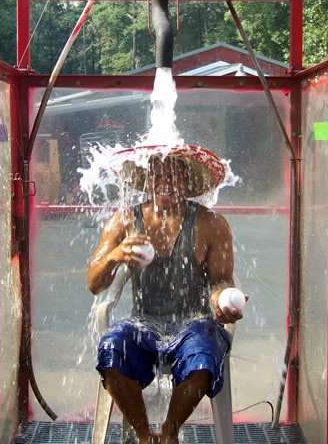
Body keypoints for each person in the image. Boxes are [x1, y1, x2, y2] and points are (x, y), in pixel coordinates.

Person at [87, 145, 245, 444]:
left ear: (188, 180)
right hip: (143, 322)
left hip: (194, 323)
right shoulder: (124, 220)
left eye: (174, 175)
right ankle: (145, 435)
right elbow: (94, 283)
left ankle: (170, 432)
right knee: (111, 348)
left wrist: (222, 301)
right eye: (157, 175)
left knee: (204, 350)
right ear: (146, 179)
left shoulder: (210, 224)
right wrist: (115, 256)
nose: (165, 183)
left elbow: (220, 281)